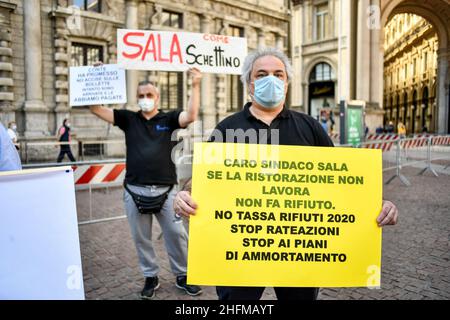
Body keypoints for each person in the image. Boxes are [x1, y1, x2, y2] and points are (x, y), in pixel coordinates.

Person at [173, 47, 399, 301]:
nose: (271, 79)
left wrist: (375, 204)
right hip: (238, 251)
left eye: (278, 74)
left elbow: (339, 182)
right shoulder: (227, 128)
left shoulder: (310, 127)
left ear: (287, 83)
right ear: (249, 83)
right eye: (262, 74)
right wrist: (185, 195)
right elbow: (204, 182)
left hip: (299, 251)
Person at [88, 65, 203, 300]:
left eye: (149, 95)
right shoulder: (128, 119)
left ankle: (183, 275)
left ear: (157, 97)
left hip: (167, 191)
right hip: (134, 190)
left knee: (175, 234)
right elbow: (96, 108)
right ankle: (150, 276)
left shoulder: (169, 118)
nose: (145, 99)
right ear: (136, 98)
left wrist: (195, 85)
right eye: (141, 96)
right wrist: (95, 78)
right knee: (141, 238)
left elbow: (190, 116)